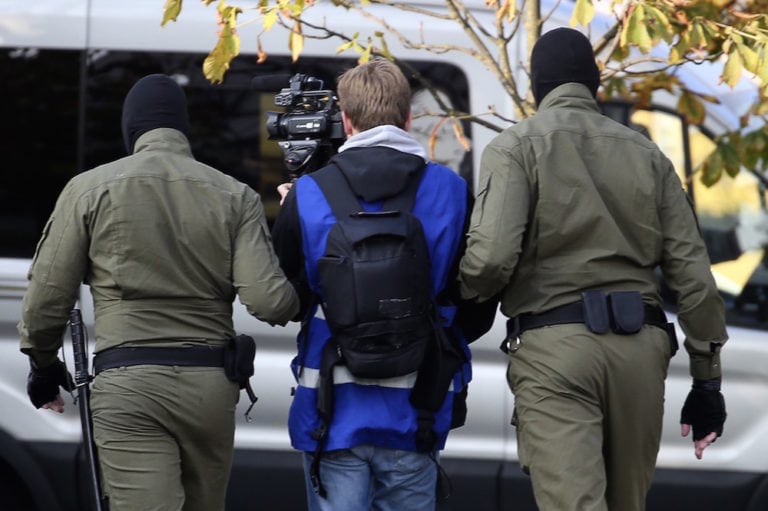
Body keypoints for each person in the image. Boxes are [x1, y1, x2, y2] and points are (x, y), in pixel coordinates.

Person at [458, 28, 728, 511]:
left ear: (536, 86)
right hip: (641, 354)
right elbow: (695, 278)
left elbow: (492, 258)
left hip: (554, 351)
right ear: (595, 83)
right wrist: (707, 381)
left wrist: (461, 299)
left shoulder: (514, 148)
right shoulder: (649, 155)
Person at [19, 74, 299, 511]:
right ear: (182, 129)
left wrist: (41, 364)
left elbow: (47, 296)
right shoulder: (235, 196)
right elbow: (271, 303)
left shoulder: (88, 190)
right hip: (211, 387)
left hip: (129, 388)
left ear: (133, 129)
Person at [272, 58, 495, 511]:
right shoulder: (451, 190)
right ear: (409, 118)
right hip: (418, 411)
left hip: (330, 413)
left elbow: (286, 297)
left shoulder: (310, 193)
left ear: (346, 119)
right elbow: (476, 304)